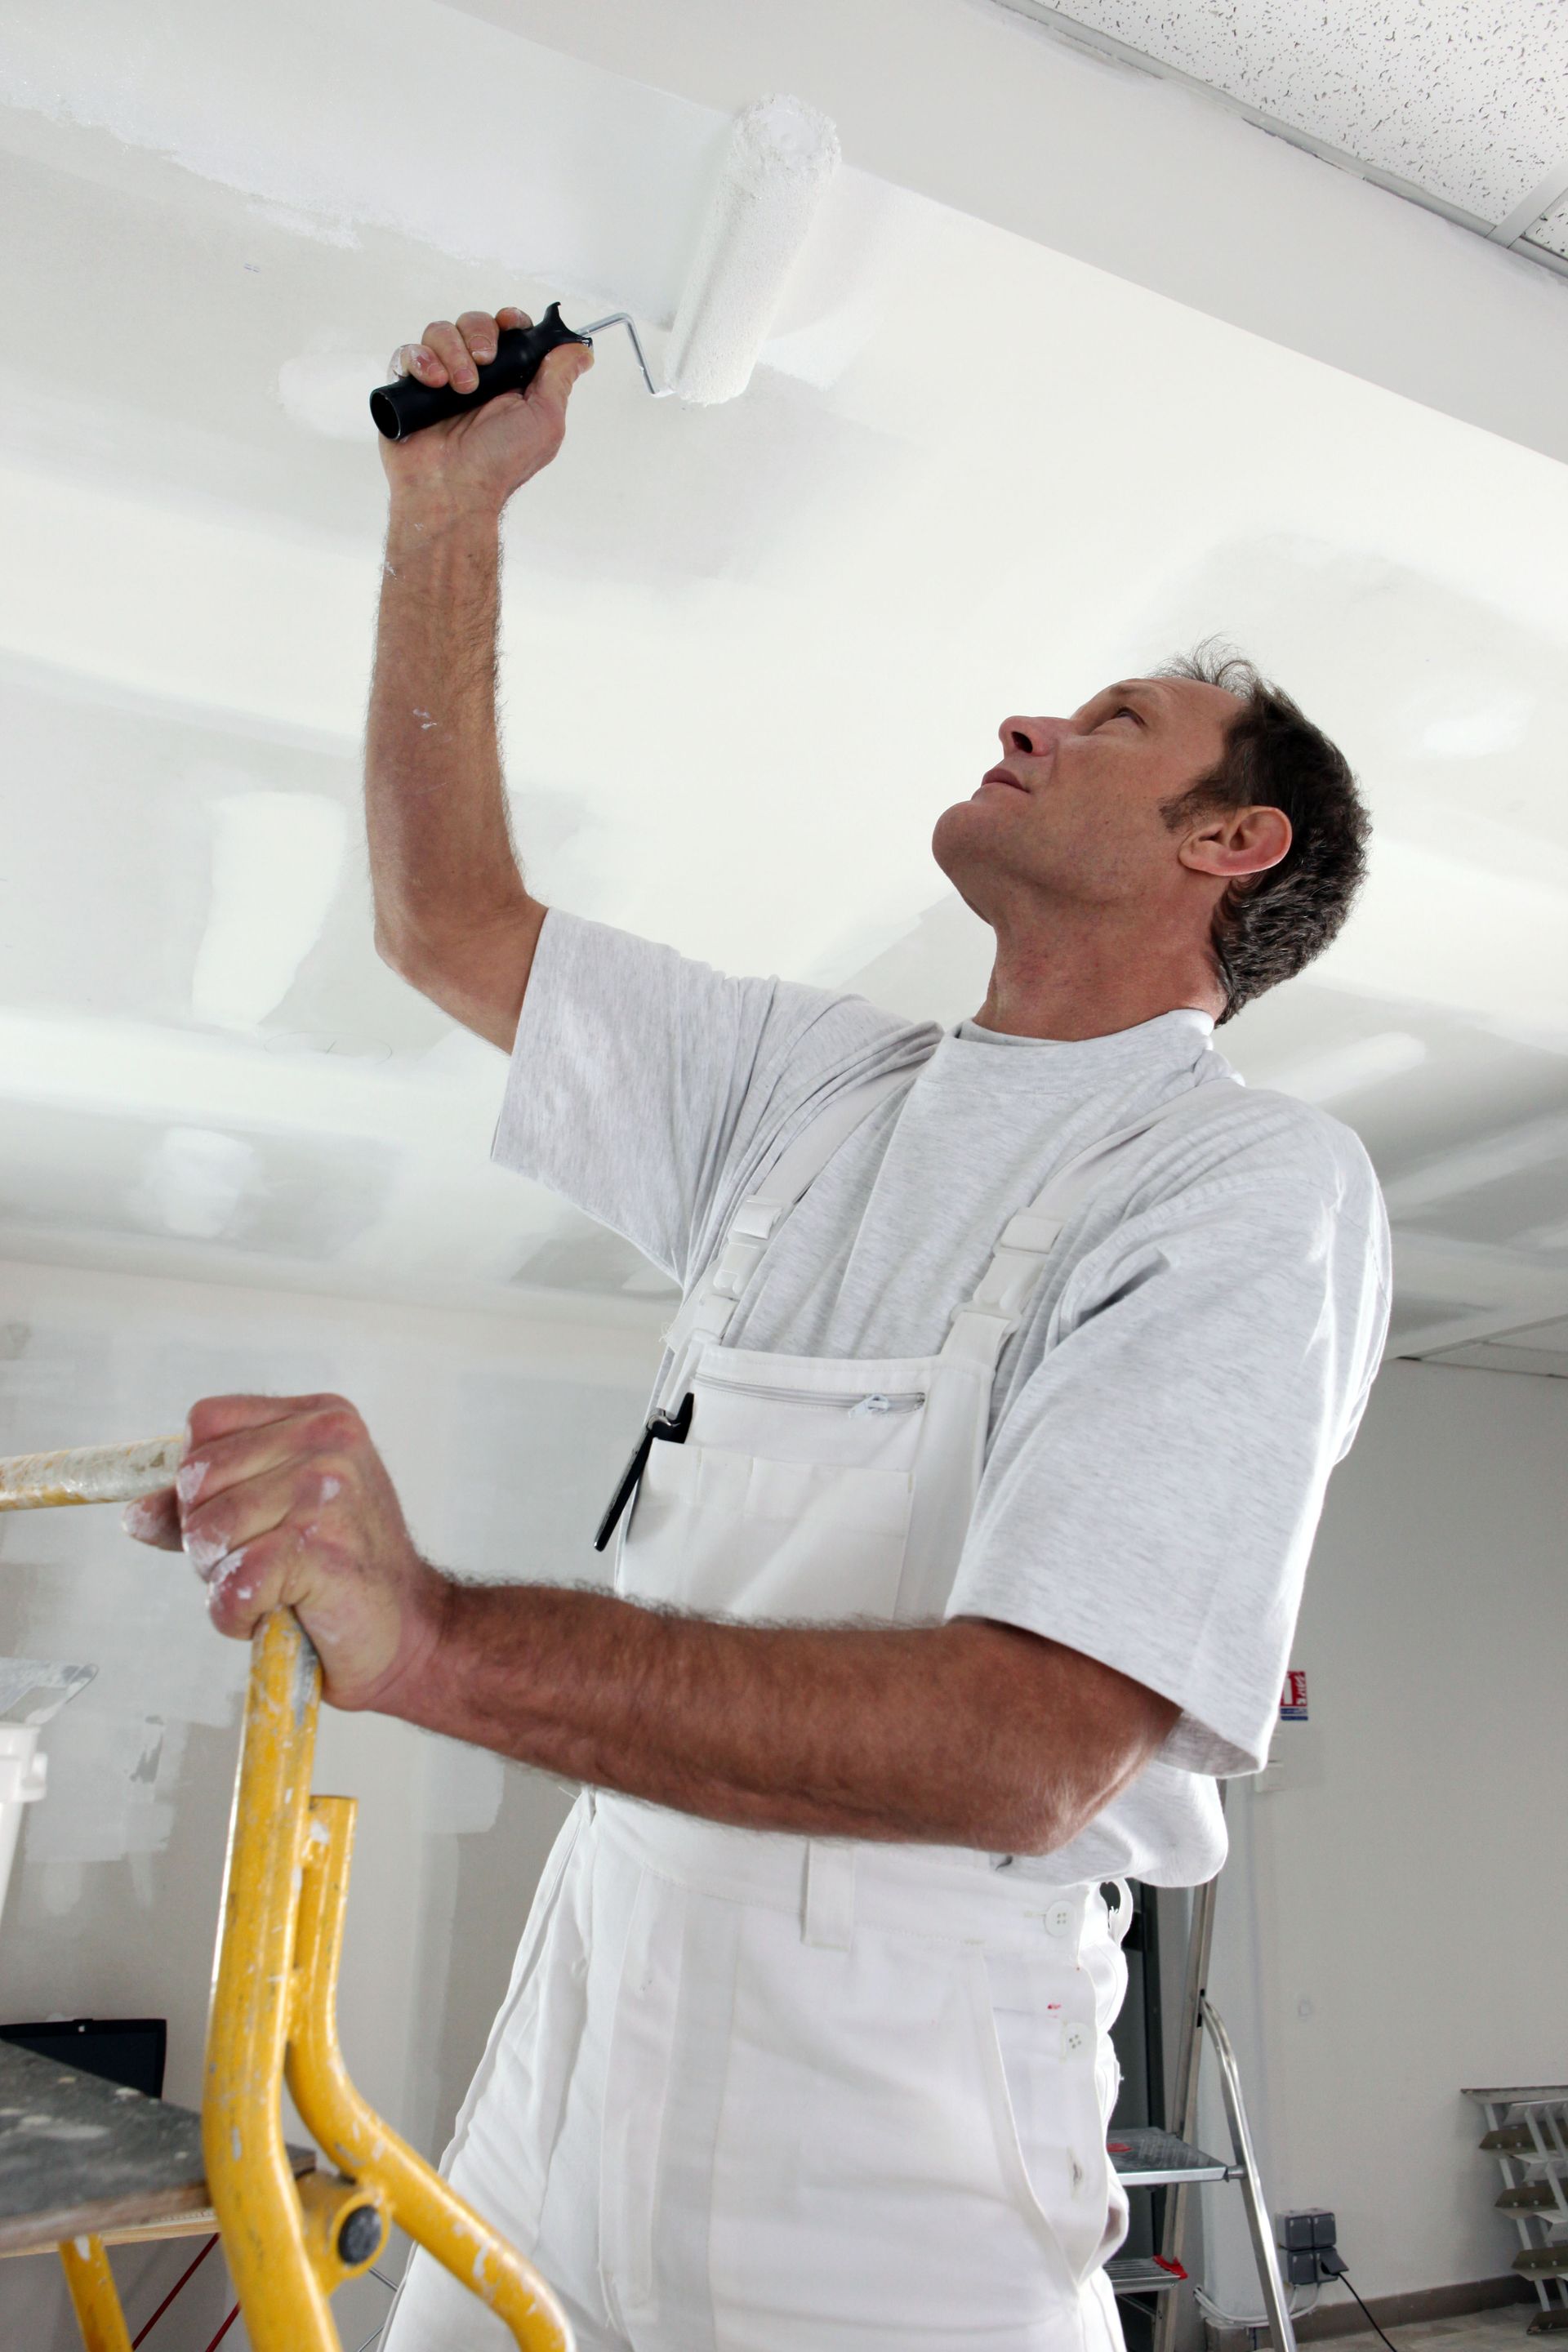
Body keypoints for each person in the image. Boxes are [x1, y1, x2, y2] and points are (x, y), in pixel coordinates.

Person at [127, 308, 1391, 2350]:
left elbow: (1027, 1749)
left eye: (1112, 724)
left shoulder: (1243, 1189)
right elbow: (449, 922)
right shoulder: (815, 1093)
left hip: (891, 2148)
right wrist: (452, 519)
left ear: (1229, 847)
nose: (1029, 724)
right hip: (574, 2037)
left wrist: (435, 1635)